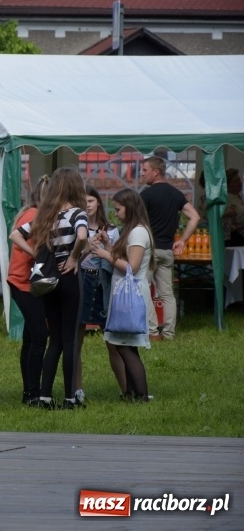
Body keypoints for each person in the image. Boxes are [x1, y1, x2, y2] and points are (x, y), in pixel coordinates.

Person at [10, 167, 88, 410]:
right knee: (70, 341)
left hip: (49, 281)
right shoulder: (77, 213)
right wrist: (74, 256)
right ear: (76, 187)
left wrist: (35, 254)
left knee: (53, 340)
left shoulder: (46, 216)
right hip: (69, 278)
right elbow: (83, 237)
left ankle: (44, 395)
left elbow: (15, 235)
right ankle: (69, 398)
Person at [90, 188, 155, 401]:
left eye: (118, 209)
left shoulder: (137, 232)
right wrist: (109, 245)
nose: (115, 214)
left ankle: (141, 395)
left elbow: (132, 267)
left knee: (125, 347)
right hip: (126, 294)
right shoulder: (134, 230)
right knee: (125, 346)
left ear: (130, 207)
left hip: (131, 296)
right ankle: (133, 393)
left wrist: (105, 255)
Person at [139, 156, 200, 340]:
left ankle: (152, 332)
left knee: (142, 289)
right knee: (167, 294)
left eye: (144, 170)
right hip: (167, 251)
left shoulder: (146, 195)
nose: (141, 174)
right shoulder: (176, 194)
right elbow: (195, 217)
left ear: (155, 172)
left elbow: (137, 221)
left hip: (149, 250)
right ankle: (169, 333)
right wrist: (182, 240)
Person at [75, 186, 120, 405]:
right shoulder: (76, 228)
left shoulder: (111, 229)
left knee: (112, 338)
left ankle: (127, 388)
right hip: (82, 279)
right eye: (83, 201)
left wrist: (106, 245)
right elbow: (73, 260)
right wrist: (86, 246)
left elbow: (117, 259)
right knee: (77, 338)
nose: (87, 204)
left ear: (98, 203)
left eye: (91, 200)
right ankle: (77, 389)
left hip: (103, 281)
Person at [6, 178, 48, 406]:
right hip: (24, 283)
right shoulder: (34, 215)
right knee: (40, 336)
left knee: (32, 337)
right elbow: (17, 236)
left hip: (26, 282)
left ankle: (29, 392)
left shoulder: (34, 213)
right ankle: (34, 392)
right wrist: (36, 253)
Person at [222, 168, 244, 246]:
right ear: (228, 185)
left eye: (239, 180)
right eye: (235, 181)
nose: (239, 183)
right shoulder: (225, 198)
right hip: (234, 236)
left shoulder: (239, 196)